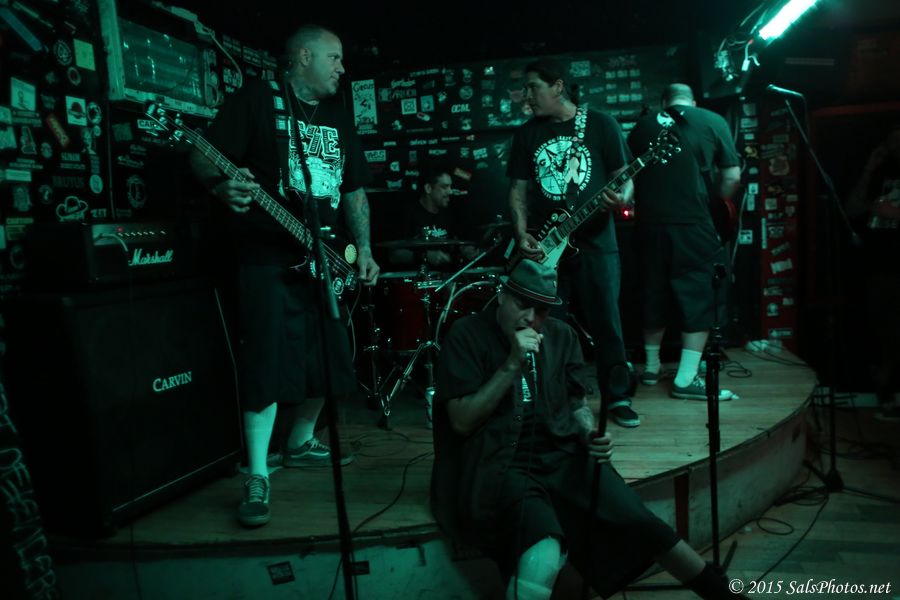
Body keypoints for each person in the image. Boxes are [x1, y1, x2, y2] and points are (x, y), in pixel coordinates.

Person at [430, 259, 747, 600]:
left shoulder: (561, 336)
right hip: (501, 461)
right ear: (503, 296)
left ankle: (719, 592)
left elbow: (576, 405)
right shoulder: (467, 334)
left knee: (641, 521)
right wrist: (511, 364)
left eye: (542, 311)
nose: (531, 319)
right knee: (543, 553)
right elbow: (461, 421)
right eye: (522, 305)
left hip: (561, 451)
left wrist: (588, 434)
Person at [189, 24, 379, 527]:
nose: (342, 69)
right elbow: (203, 155)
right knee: (267, 360)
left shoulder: (338, 116)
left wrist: (363, 248)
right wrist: (220, 187)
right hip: (266, 257)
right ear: (303, 56)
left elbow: (354, 189)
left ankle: (300, 440)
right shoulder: (257, 100)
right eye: (334, 58)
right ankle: (257, 472)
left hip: (326, 256)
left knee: (332, 355)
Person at [507, 59, 639, 428]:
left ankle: (617, 396)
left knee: (607, 321)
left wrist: (622, 198)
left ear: (558, 86)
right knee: (550, 326)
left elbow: (625, 176)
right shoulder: (526, 134)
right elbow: (517, 190)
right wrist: (521, 233)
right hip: (548, 246)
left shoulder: (600, 124)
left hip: (596, 243)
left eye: (533, 87)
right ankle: (560, 398)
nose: (527, 96)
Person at [626, 83, 741, 401]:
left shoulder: (642, 126)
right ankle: (686, 378)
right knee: (700, 295)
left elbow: (627, 177)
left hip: (648, 225)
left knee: (653, 290)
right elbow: (732, 176)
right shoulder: (712, 121)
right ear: (693, 101)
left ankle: (651, 368)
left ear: (664, 101)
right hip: (693, 223)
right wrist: (718, 208)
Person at [847, 128, 900, 420]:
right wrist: (869, 168)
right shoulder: (879, 174)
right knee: (882, 331)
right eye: (892, 142)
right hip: (879, 265)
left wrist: (893, 212)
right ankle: (885, 393)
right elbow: (853, 209)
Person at [388, 163, 478, 269]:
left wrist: (464, 250)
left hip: (446, 275)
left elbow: (454, 243)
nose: (450, 191)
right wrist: (425, 256)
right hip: (417, 276)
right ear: (428, 188)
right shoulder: (407, 214)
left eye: (450, 187)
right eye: (444, 187)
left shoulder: (449, 213)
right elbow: (393, 255)